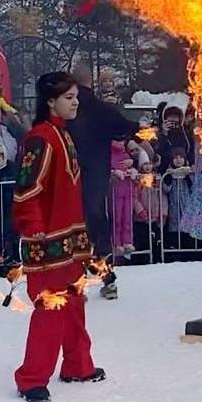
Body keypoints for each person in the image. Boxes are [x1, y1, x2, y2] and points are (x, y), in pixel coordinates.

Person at [12, 71, 104, 402]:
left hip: (72, 237)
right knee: (51, 306)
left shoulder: (62, 134)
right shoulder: (40, 138)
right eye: (68, 97)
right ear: (50, 101)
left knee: (75, 301)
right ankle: (32, 377)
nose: (75, 101)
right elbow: (26, 187)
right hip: (47, 238)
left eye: (76, 95)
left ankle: (78, 364)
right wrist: (31, 223)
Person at [68, 64, 137, 299]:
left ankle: (77, 281)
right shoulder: (100, 109)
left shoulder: (66, 111)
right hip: (97, 176)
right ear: (91, 81)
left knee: (74, 226)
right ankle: (108, 280)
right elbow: (125, 128)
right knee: (97, 224)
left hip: (72, 176)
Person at [109, 138, 137, 257]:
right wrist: (114, 172)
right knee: (117, 217)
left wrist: (132, 171)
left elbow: (132, 165)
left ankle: (127, 241)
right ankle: (116, 243)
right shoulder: (109, 153)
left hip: (127, 188)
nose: (120, 143)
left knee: (127, 216)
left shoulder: (126, 153)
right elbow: (106, 168)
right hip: (115, 190)